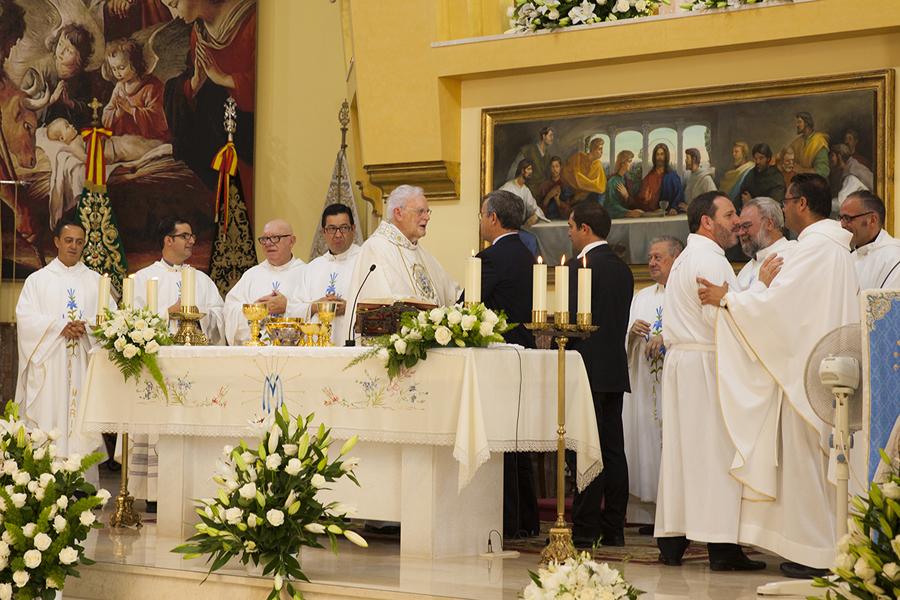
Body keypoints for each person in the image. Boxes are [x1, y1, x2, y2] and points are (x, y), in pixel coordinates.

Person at [699, 174, 859, 578]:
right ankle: (826, 546)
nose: (784, 209)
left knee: (806, 466)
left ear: (801, 203)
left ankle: (816, 551)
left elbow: (777, 309)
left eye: (787, 201)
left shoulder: (812, 251)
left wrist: (728, 299)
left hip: (805, 373)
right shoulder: (836, 249)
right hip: (824, 368)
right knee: (821, 466)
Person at [654, 191, 765, 571]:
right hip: (705, 362)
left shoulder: (687, 256)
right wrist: (761, 291)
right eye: (730, 214)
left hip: (683, 363)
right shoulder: (710, 261)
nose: (737, 221)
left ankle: (673, 540)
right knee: (716, 454)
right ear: (706, 221)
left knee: (683, 453)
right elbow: (721, 319)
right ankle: (721, 546)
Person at [15, 218, 114, 483]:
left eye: (79, 242)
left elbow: (112, 322)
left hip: (83, 364)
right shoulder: (38, 281)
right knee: (50, 418)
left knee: (82, 421)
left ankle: (84, 483)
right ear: (57, 241)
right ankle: (47, 482)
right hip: (51, 366)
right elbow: (25, 319)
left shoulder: (96, 282)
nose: (74, 246)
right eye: (68, 240)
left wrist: (87, 328)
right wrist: (60, 327)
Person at [565, 202, 634, 548]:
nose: (569, 233)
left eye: (571, 226)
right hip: (614, 369)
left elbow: (575, 322)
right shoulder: (623, 269)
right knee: (612, 448)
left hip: (585, 369)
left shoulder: (581, 267)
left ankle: (586, 527)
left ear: (585, 229)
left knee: (585, 448)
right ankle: (615, 527)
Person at [477, 190, 539, 538]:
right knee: (519, 441)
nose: (482, 221)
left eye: (483, 214)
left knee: (500, 440)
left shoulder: (491, 259)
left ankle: (508, 520)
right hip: (524, 352)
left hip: (496, 357)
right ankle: (527, 519)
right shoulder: (528, 255)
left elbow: (469, 305)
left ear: (494, 218)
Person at [622, 236, 683, 531]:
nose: (652, 263)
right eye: (650, 257)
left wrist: (667, 338)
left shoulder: (685, 294)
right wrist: (632, 335)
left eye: (659, 257)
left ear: (677, 257)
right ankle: (649, 513)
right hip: (647, 386)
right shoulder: (642, 296)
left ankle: (674, 514)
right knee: (646, 439)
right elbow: (628, 346)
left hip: (677, 386)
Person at [349, 185, 461, 309]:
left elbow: (452, 295)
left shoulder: (422, 254)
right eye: (420, 211)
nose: (427, 217)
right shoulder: (375, 248)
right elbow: (380, 303)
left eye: (427, 211)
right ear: (398, 213)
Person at [133, 217, 225, 343]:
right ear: (169, 240)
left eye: (192, 236)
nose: (192, 241)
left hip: (197, 351)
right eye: (185, 236)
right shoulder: (143, 277)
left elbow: (220, 316)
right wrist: (168, 313)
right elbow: (133, 320)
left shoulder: (202, 280)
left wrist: (199, 312)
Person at [223, 219, 307, 346]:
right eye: (264, 239)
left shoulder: (306, 273)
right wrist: (253, 311)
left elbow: (313, 311)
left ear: (292, 241)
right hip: (255, 352)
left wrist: (287, 306)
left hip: (294, 352)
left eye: (275, 238)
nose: (268, 243)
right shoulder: (252, 275)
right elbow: (230, 309)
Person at [20, 23, 112, 128]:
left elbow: (91, 109)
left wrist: (70, 103)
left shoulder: (84, 79)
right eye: (60, 44)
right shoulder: (39, 71)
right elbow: (24, 106)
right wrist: (51, 100)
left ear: (79, 58)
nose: (62, 51)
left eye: (69, 50)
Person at [299, 204, 362, 345]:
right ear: (323, 232)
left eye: (344, 228)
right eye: (332, 229)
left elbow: (379, 306)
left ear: (353, 229)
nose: (338, 234)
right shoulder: (312, 268)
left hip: (353, 347)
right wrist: (316, 307)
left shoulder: (366, 262)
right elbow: (296, 308)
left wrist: (349, 308)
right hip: (316, 349)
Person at [101, 38, 170, 141]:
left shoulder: (151, 86)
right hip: (123, 138)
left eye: (121, 67)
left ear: (135, 63)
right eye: (114, 69)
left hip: (148, 141)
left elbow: (159, 121)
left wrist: (131, 109)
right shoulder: (120, 87)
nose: (117, 73)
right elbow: (106, 115)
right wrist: (117, 114)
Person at [839, 190, 900, 289]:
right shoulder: (849, 257)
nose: (842, 224)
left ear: (872, 220)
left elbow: (891, 303)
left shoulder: (895, 258)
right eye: (841, 218)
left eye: (847, 218)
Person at [735, 196, 796, 291]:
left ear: (769, 224)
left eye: (746, 226)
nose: (741, 233)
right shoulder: (747, 268)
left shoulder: (791, 256)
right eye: (740, 227)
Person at [506, 126, 556, 196]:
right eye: (550, 135)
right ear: (544, 136)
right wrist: (510, 188)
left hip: (541, 193)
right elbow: (514, 168)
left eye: (553, 135)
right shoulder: (528, 150)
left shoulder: (548, 156)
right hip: (527, 191)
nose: (552, 138)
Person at [635, 143, 682, 212]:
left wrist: (674, 207)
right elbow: (640, 197)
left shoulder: (672, 176)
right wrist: (645, 199)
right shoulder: (649, 177)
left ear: (666, 156)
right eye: (657, 154)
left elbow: (679, 195)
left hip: (668, 214)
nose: (659, 157)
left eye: (662, 154)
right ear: (654, 157)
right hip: (651, 213)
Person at [500, 159, 548, 224]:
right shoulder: (508, 187)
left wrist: (536, 216)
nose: (531, 171)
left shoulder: (526, 190)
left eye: (531, 169)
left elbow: (534, 208)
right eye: (529, 169)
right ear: (522, 171)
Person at [563, 136, 608, 204]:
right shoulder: (579, 157)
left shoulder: (598, 164)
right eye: (600, 149)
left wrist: (585, 191)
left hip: (588, 196)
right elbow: (571, 175)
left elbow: (600, 187)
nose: (602, 152)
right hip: (571, 191)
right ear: (593, 149)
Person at [604, 150, 645, 219]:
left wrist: (626, 196)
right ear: (622, 163)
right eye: (629, 161)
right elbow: (611, 205)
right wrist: (629, 213)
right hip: (617, 218)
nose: (631, 164)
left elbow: (634, 201)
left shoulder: (627, 180)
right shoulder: (613, 181)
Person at [789, 111, 830, 178]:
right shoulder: (797, 142)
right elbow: (785, 154)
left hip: (816, 183)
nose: (797, 125)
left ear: (807, 123)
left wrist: (802, 170)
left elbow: (823, 171)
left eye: (799, 122)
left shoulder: (819, 141)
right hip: (800, 181)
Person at [537, 155, 574, 220]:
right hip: (547, 220)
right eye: (552, 167)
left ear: (560, 167)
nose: (555, 169)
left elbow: (569, 211)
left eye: (557, 166)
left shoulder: (566, 185)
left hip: (562, 221)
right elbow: (539, 209)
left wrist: (557, 200)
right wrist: (548, 196)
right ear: (550, 168)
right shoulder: (544, 186)